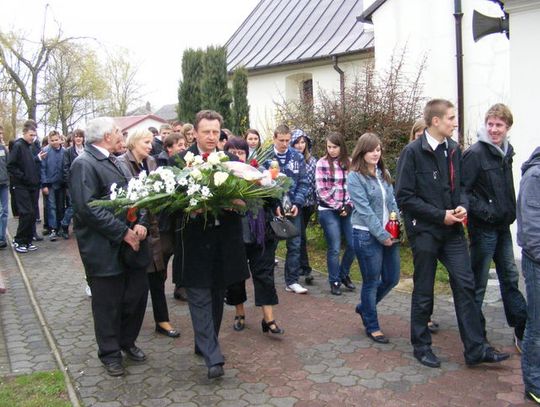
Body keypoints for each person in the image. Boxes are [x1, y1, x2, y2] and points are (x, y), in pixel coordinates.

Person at [395, 98, 509, 368]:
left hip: (453, 232)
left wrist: (461, 207)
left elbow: (462, 189)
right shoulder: (412, 152)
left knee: (466, 284)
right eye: (450, 118)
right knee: (424, 289)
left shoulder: (455, 150)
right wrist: (439, 215)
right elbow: (404, 197)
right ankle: (421, 346)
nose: (455, 122)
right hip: (424, 232)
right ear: (436, 121)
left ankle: (476, 348)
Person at [170, 110, 250, 379]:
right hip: (194, 242)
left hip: (223, 242)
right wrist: (191, 208)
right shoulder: (180, 162)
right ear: (194, 132)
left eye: (216, 132)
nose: (211, 137)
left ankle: (204, 343)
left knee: (217, 297)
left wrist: (238, 202)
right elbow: (168, 204)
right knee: (200, 296)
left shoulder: (229, 161)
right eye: (206, 132)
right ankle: (213, 357)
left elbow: (246, 199)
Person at [70, 117, 149, 377]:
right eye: (117, 131)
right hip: (102, 249)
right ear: (106, 136)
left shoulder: (115, 160)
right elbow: (88, 208)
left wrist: (140, 222)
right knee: (107, 304)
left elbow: (134, 196)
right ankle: (110, 353)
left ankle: (127, 342)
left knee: (134, 297)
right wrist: (122, 232)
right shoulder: (84, 164)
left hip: (128, 246)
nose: (120, 134)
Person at [462, 103, 527, 352]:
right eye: (490, 124)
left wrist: (509, 212)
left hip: (502, 228)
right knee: (477, 284)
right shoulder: (476, 153)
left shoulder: (505, 152)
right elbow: (464, 192)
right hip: (483, 229)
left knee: (510, 278)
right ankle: (476, 339)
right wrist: (487, 213)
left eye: (499, 125)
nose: (494, 129)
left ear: (507, 127)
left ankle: (522, 331)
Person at [118, 129, 180, 339]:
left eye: (151, 142)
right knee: (135, 282)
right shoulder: (121, 164)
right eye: (146, 142)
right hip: (132, 229)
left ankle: (162, 320)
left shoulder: (152, 163)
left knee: (157, 275)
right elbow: (126, 198)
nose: (150, 146)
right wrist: (137, 222)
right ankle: (125, 328)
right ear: (134, 142)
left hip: (154, 227)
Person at [223, 137, 284, 334]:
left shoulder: (258, 172)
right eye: (232, 152)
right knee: (236, 277)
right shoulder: (221, 177)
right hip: (234, 235)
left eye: (240, 152)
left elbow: (273, 197)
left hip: (261, 233)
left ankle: (269, 319)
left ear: (247, 153)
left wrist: (276, 202)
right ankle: (239, 313)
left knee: (264, 274)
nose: (237, 155)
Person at [348, 133, 399, 343]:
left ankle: (364, 307)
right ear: (362, 152)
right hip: (366, 234)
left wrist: (397, 228)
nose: (376, 154)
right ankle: (372, 325)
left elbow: (392, 202)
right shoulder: (355, 177)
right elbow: (365, 210)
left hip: (388, 233)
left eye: (378, 149)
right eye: (371, 150)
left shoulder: (383, 173)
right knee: (371, 281)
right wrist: (381, 235)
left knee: (392, 278)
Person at [263, 124, 310, 294]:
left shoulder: (297, 157)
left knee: (295, 243)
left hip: (293, 208)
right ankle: (266, 281)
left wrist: (297, 203)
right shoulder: (265, 156)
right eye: (281, 140)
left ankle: (292, 281)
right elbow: (261, 182)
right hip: (273, 208)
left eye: (287, 140)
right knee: (271, 244)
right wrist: (274, 204)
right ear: (274, 138)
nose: (284, 144)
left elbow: (304, 182)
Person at [316, 132, 355, 295]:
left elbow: (354, 187)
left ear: (341, 147)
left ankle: (343, 273)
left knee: (354, 244)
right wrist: (338, 206)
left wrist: (349, 206)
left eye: (335, 147)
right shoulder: (322, 163)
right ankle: (334, 280)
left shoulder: (350, 163)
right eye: (329, 147)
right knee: (335, 246)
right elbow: (321, 190)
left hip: (347, 208)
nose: (331, 150)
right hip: (328, 209)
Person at [409, 119, 439, 334]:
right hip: (418, 224)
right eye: (418, 135)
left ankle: (428, 313)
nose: (422, 138)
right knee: (423, 274)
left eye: (424, 134)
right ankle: (423, 318)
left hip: (436, 222)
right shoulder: (409, 156)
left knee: (430, 273)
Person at [517, 147, 540, 405]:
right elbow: (533, 229)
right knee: (537, 325)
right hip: (537, 262)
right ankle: (534, 384)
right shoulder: (535, 176)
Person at [7, 120, 43, 253]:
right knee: (26, 213)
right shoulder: (18, 146)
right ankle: (18, 240)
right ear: (24, 133)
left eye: (34, 136)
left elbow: (28, 163)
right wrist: (23, 177)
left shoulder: (29, 147)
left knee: (32, 214)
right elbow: (11, 165)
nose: (32, 138)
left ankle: (27, 240)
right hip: (21, 186)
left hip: (31, 186)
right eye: (30, 135)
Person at [291, 129, 317, 285]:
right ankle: (305, 267)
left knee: (301, 234)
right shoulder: (291, 160)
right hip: (296, 203)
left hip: (309, 204)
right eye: (297, 142)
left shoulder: (312, 161)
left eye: (303, 142)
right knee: (299, 235)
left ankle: (301, 265)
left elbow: (314, 183)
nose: (300, 145)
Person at [59, 129, 85, 239]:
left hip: (85, 182)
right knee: (72, 205)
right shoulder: (68, 152)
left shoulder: (87, 150)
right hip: (72, 184)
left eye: (80, 136)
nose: (78, 138)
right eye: (76, 136)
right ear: (73, 138)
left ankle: (79, 227)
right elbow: (65, 168)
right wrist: (69, 182)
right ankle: (64, 225)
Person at [41, 130, 66, 241]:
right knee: (52, 206)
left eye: (57, 140)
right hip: (50, 184)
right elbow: (42, 169)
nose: (55, 142)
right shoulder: (45, 151)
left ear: (60, 139)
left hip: (61, 183)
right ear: (49, 140)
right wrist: (44, 184)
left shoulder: (65, 151)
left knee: (61, 206)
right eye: (52, 140)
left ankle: (60, 226)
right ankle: (53, 229)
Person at [0, 126, 8, 249]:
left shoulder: (3, 148)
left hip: (4, 183)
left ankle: (2, 237)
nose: (0, 135)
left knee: (4, 211)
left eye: (1, 133)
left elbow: (8, 162)